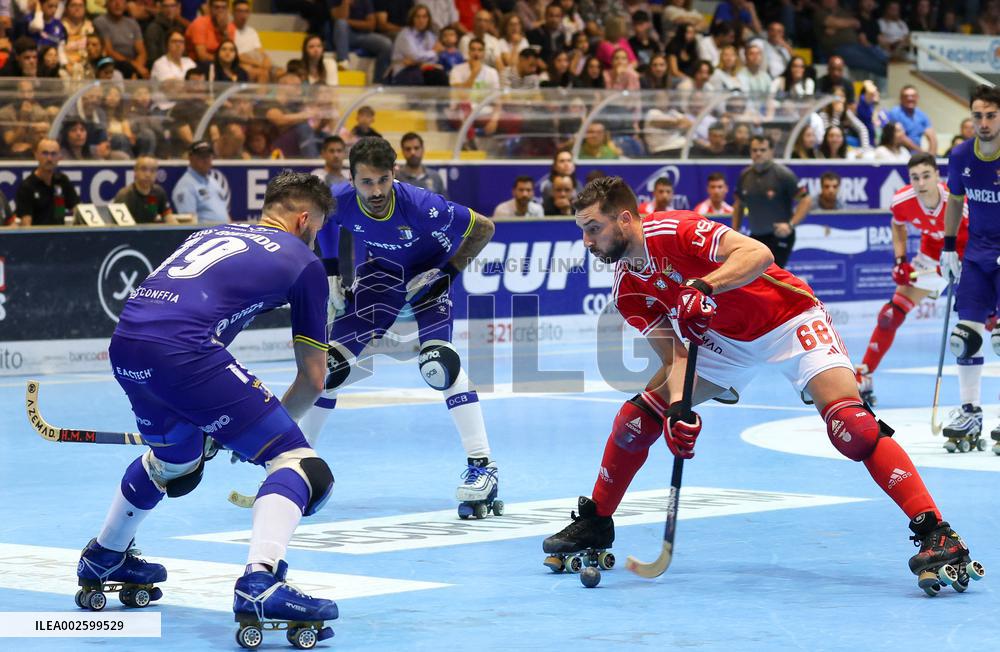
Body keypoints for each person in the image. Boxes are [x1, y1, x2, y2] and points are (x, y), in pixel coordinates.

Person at [542, 175, 985, 596]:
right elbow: (675, 356)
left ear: (624, 219)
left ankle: (937, 532)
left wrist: (705, 285)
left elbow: (757, 254)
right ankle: (597, 521)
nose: (587, 242)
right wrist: (678, 411)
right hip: (722, 343)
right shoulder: (627, 289)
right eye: (583, 231)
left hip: (789, 319)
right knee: (636, 421)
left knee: (853, 427)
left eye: (593, 228)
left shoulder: (675, 231)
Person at [74, 171, 340, 642]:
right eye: (316, 229)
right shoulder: (304, 261)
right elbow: (314, 379)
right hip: (183, 352)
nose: (314, 239)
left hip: (126, 344)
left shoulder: (213, 233)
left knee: (175, 463)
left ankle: (105, 554)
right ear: (303, 220)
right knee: (301, 465)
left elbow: (196, 318)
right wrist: (258, 435)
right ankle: (261, 582)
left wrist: (217, 425)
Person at [302, 137, 501, 516]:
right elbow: (322, 222)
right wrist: (330, 272)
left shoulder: (423, 206)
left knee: (440, 365)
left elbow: (484, 228)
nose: (376, 191)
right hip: (380, 277)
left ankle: (483, 466)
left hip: (429, 275)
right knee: (327, 369)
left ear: (394, 174)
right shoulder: (337, 198)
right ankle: (297, 464)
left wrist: (447, 274)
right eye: (367, 182)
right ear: (351, 180)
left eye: (383, 180)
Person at [854, 153, 968, 407]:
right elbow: (898, 226)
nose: (921, 183)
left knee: (989, 324)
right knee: (890, 315)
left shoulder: (957, 200)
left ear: (937, 176)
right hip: (932, 256)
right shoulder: (902, 200)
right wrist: (900, 260)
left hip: (968, 254)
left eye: (926, 175)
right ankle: (864, 375)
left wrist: (960, 262)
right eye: (915, 177)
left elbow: (983, 233)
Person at [938, 85, 1000, 449]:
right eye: (978, 116)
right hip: (976, 255)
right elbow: (955, 201)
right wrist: (949, 248)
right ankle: (970, 411)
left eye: (991, 115)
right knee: (964, 338)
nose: (984, 123)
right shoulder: (961, 155)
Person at [731, 135, 811, 268]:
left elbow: (806, 200)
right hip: (755, 236)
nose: (758, 153)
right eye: (754, 150)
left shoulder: (783, 174)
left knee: (772, 274)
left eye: (762, 150)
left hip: (779, 236)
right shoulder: (744, 176)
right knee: (754, 275)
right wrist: (735, 230)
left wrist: (790, 225)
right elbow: (739, 204)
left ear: (771, 151)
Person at [15, 139, 80, 226]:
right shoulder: (27, 186)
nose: (49, 158)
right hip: (37, 234)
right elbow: (26, 224)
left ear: (59, 157)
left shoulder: (62, 181)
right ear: (36, 155)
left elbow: (77, 209)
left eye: (53, 154)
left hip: (60, 232)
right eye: (45, 153)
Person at [331, 0, 394, 83]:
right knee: (341, 24)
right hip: (343, 36)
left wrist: (348, 22)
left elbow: (371, 25)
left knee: (386, 44)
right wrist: (345, 3)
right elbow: (340, 18)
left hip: (363, 35)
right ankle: (343, 61)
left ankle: (379, 82)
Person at [171, 140, 229, 223]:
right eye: (202, 156)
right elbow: (188, 223)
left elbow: (225, 214)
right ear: (191, 158)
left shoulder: (213, 182)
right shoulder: (185, 186)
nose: (206, 160)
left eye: (208, 156)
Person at [113, 155, 174, 223]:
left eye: (152, 170)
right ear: (135, 172)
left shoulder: (158, 193)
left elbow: (169, 218)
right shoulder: (124, 195)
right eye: (143, 169)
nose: (148, 174)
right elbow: (120, 226)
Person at [94, 0, 147, 78]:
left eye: (121, 1)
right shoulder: (100, 22)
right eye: (113, 1)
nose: (118, 4)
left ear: (125, 4)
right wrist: (136, 66)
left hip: (134, 65)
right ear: (107, 3)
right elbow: (109, 51)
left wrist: (139, 67)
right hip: (113, 65)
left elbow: (141, 52)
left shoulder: (132, 23)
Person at [228, 0, 273, 83]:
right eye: (240, 11)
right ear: (232, 12)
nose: (243, 15)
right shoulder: (228, 30)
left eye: (246, 11)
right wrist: (258, 64)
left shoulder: (252, 31)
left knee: (280, 72)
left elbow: (260, 51)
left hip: (256, 61)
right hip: (239, 63)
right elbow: (234, 55)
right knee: (262, 73)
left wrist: (266, 60)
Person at [887, 86, 938, 155]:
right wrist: (921, 152)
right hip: (900, 154)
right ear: (901, 98)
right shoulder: (895, 113)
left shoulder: (921, 115)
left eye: (913, 96)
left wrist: (931, 155)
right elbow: (901, 137)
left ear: (917, 97)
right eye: (906, 96)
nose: (910, 98)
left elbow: (931, 135)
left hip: (918, 155)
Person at [396, 131, 447, 196]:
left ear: (423, 149)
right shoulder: (397, 179)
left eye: (416, 148)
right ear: (403, 151)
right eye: (408, 149)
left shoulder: (435, 177)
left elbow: (444, 201)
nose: (413, 152)